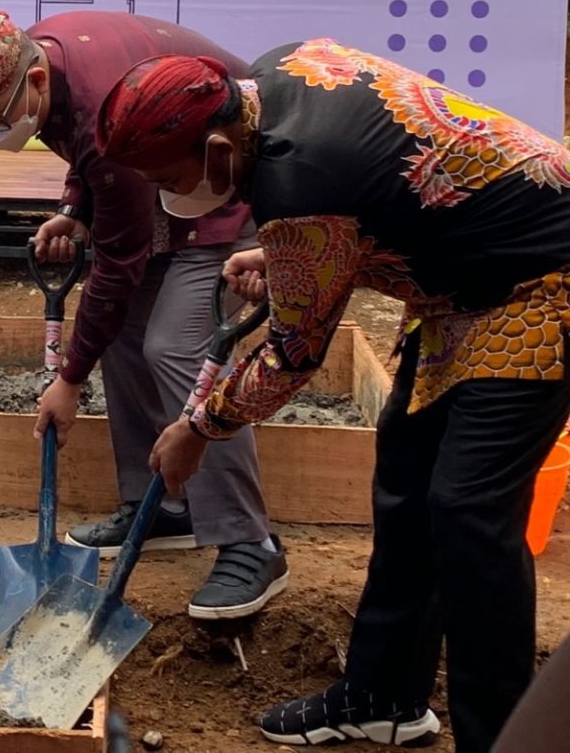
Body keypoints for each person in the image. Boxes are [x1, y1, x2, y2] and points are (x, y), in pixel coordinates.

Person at [95, 39, 570, 753]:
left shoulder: (300, 183)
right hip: (460, 287)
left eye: (167, 175)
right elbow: (375, 186)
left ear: (220, 149)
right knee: (407, 487)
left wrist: (198, 428)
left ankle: (504, 737)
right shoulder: (271, 77)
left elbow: (293, 357)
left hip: (541, 284)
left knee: (469, 512)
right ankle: (384, 697)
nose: (166, 193)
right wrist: (288, 256)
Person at [0, 0, 286, 618]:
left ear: (35, 81)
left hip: (224, 176)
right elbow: (84, 153)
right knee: (124, 337)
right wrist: (74, 208)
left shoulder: (92, 101)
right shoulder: (38, 60)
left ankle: (250, 541)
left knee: (174, 346)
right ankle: (163, 504)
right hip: (161, 175)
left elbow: (118, 264)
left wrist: (69, 378)